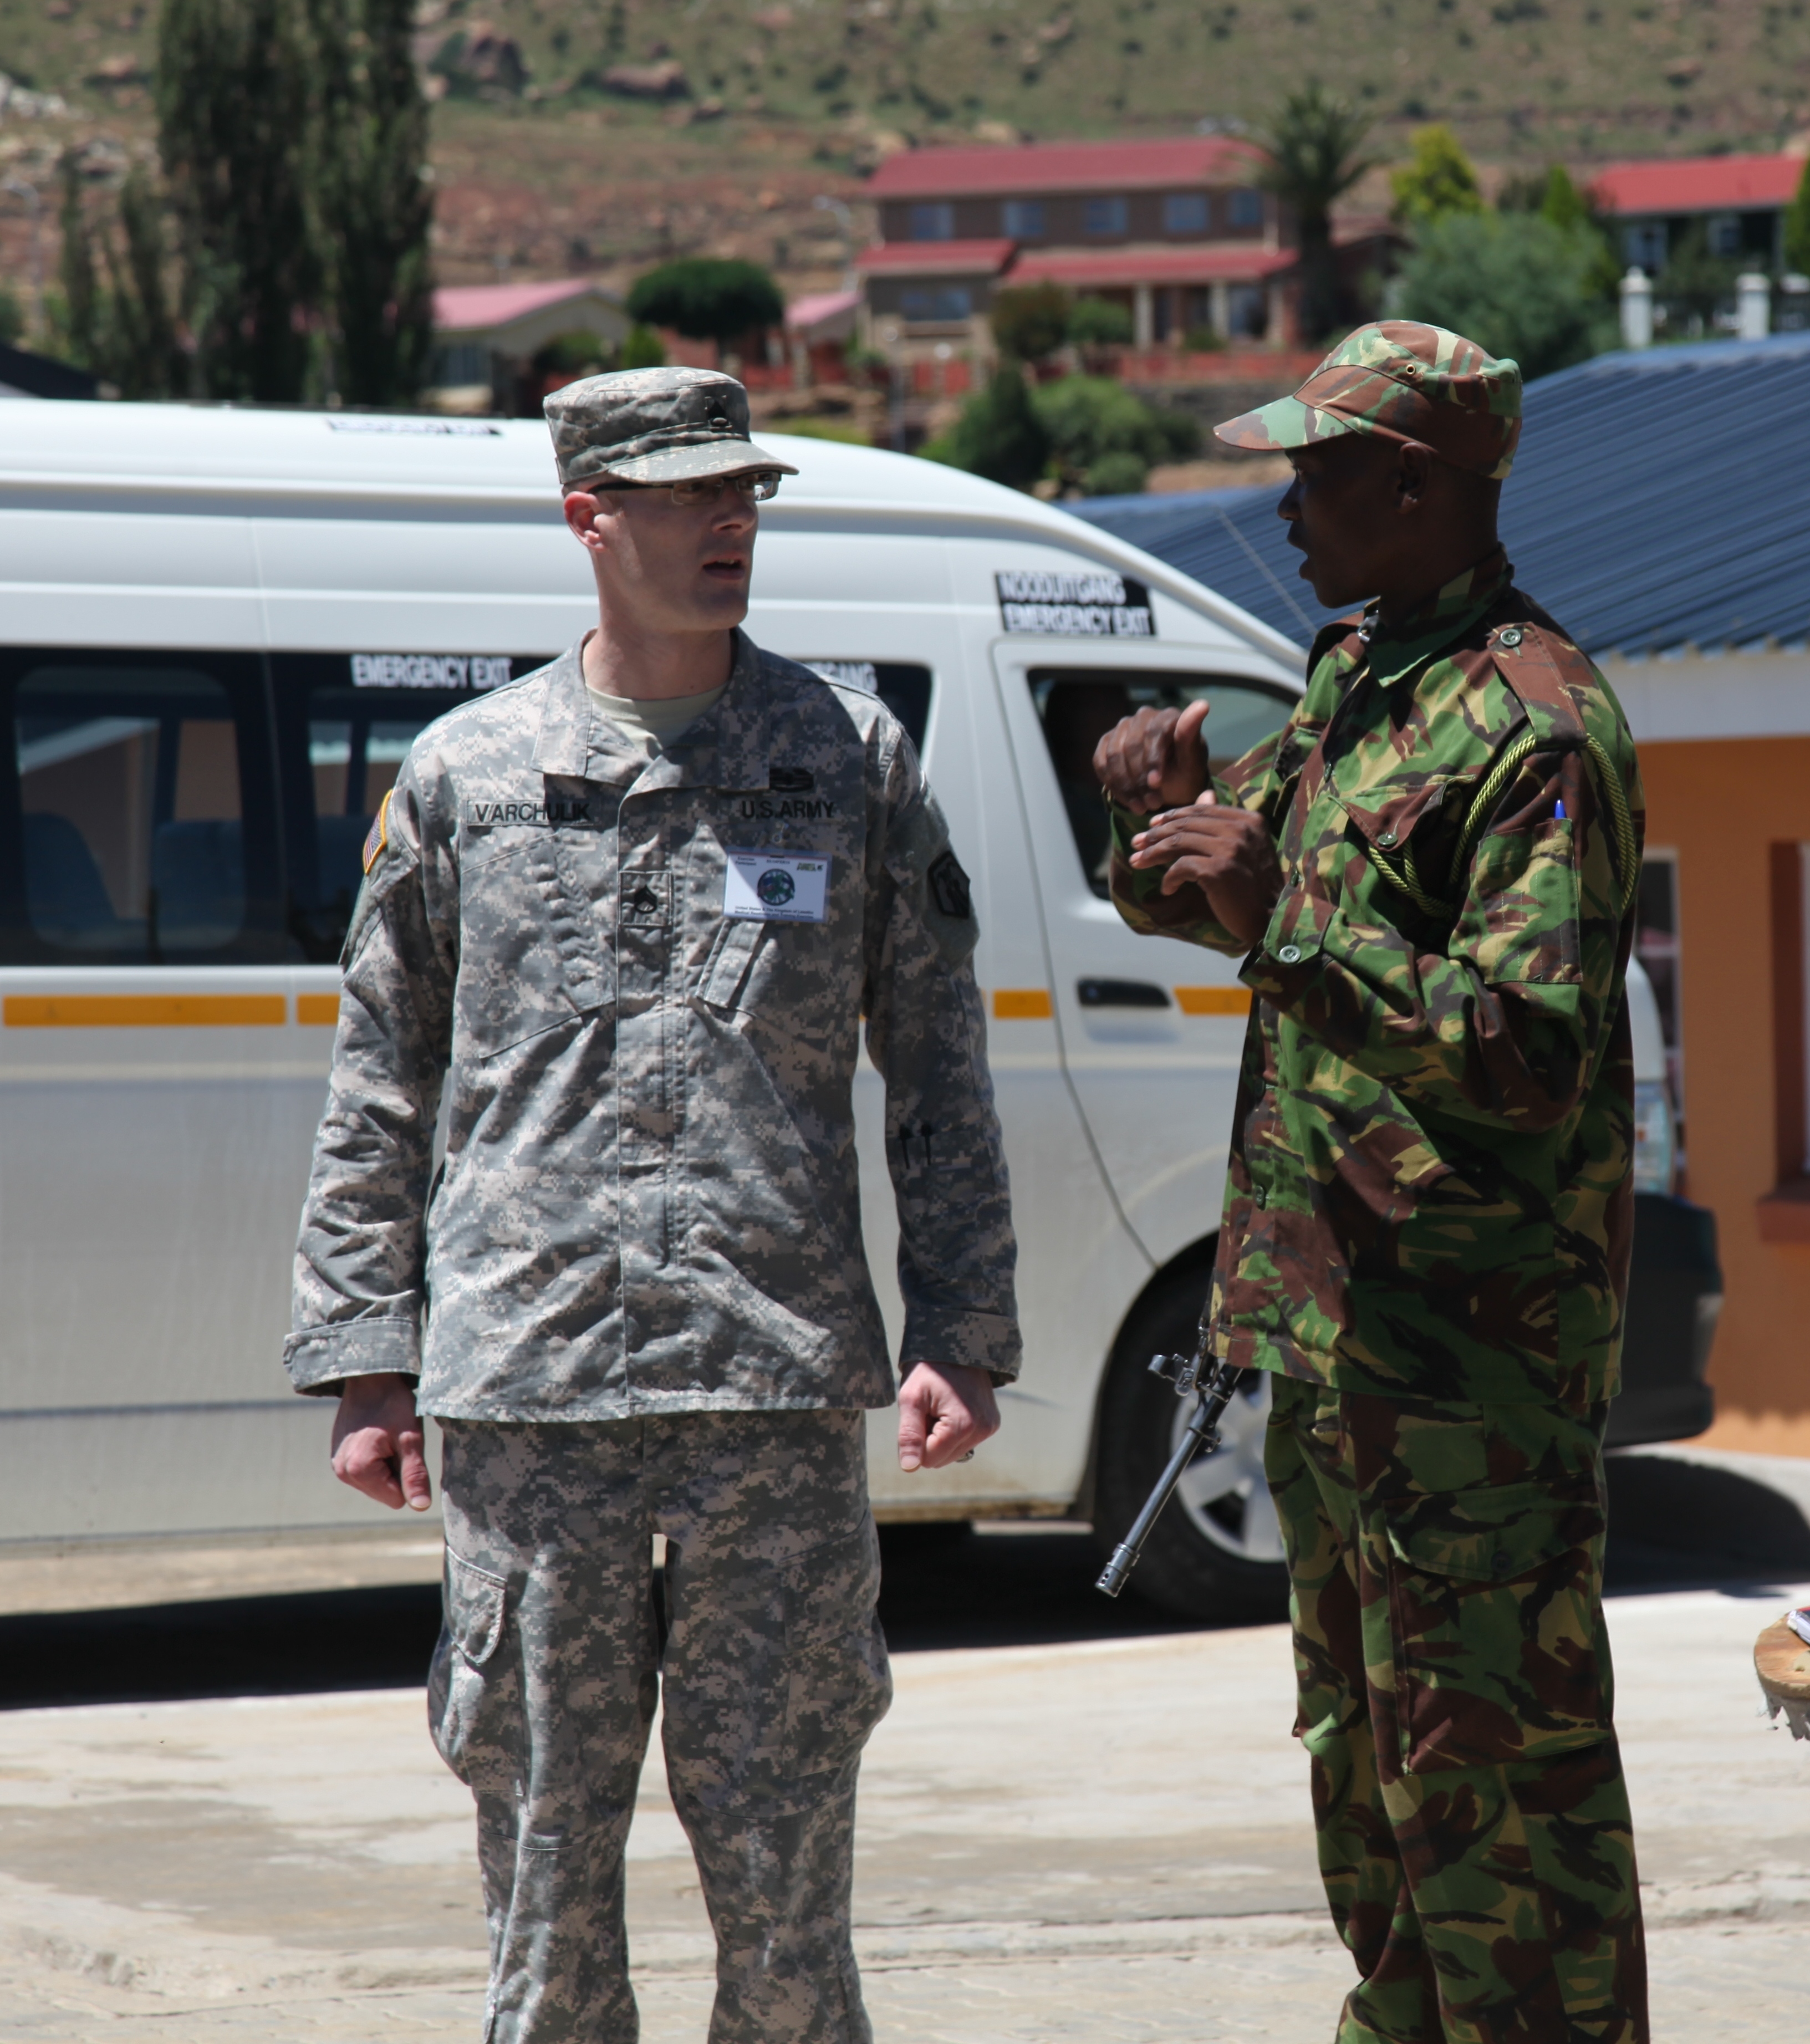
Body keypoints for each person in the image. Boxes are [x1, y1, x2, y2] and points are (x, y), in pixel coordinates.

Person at [283, 365, 1021, 2044]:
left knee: (785, 1890)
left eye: (743, 494)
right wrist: (366, 1360)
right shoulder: (471, 775)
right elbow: (382, 1080)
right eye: (687, 498)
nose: (727, 526)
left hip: (770, 1385)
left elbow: (941, 1069)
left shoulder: (844, 759)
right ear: (588, 518)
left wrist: (964, 1330)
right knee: (546, 1884)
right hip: (534, 1394)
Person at [1094, 323, 1649, 2044]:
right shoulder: (1363, 677)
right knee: (1377, 1798)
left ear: (1419, 484)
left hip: (1473, 1384)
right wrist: (1158, 828)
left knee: (1506, 1831)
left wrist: (1286, 921)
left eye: (1318, 473)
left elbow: (1527, 1052)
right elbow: (1217, 896)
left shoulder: (1538, 730)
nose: (1288, 508)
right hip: (1342, 1359)